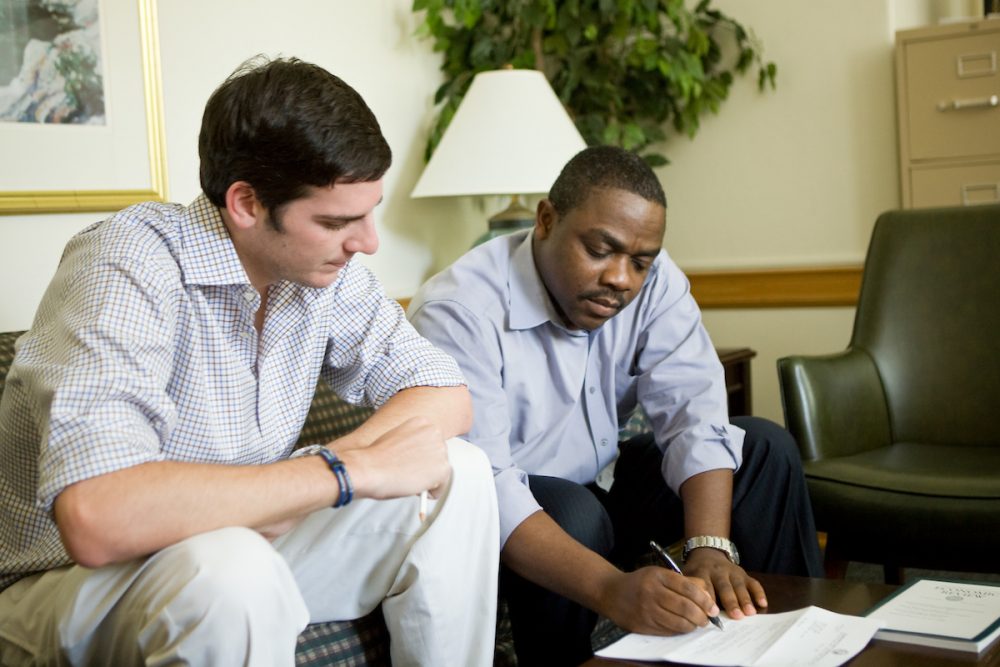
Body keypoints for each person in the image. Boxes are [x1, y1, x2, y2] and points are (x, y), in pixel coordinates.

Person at [0, 56, 499, 666]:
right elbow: (96, 516)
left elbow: (446, 393)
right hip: (65, 584)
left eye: (369, 213)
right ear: (245, 203)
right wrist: (335, 474)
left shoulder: (320, 272)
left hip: (241, 542)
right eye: (337, 221)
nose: (367, 241)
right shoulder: (126, 261)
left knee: (460, 470)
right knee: (230, 568)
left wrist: (323, 474)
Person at [408, 145, 823, 666]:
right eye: (600, 249)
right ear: (545, 220)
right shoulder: (459, 311)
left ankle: (791, 644)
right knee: (571, 512)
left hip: (601, 491)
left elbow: (694, 410)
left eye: (640, 261)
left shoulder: (654, 279)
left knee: (765, 448)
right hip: (504, 523)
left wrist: (710, 545)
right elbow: (488, 485)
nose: (622, 279)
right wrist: (612, 590)